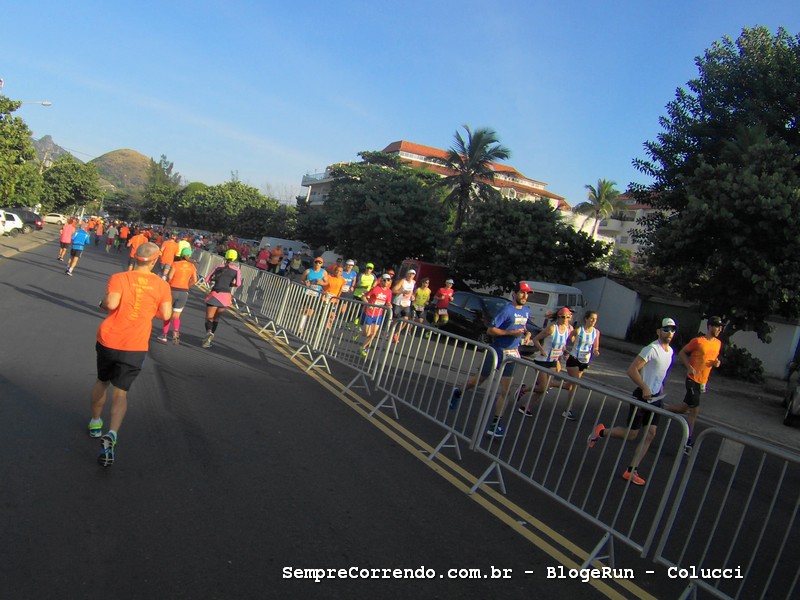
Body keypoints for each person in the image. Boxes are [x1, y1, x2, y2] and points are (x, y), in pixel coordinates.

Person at [89, 242, 172, 467]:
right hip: (135, 345)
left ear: (135, 257)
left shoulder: (119, 277)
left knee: (102, 381)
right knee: (121, 393)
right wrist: (148, 308)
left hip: (109, 339)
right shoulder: (161, 285)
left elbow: (111, 303)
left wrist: (102, 303)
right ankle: (112, 434)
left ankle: (95, 422)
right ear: (155, 261)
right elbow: (166, 314)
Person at [587, 317, 677, 486]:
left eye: (673, 330)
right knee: (632, 434)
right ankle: (601, 432)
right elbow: (632, 370)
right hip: (641, 397)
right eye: (666, 329)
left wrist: (660, 386)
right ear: (659, 331)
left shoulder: (670, 351)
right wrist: (644, 387)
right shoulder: (651, 349)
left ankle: (631, 470)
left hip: (656, 398)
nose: (670, 333)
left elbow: (661, 373)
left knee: (651, 433)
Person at [450, 282, 533, 438]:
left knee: (506, 390)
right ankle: (458, 391)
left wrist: (526, 334)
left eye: (527, 294)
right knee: (477, 381)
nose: (525, 296)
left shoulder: (526, 311)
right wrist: (511, 333)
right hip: (497, 351)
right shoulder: (507, 310)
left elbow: (524, 326)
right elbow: (491, 330)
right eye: (522, 293)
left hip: (512, 354)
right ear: (514, 294)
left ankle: (495, 424)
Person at [667, 316, 723, 453]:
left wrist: (717, 363)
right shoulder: (698, 341)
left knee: (683, 408)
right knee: (694, 411)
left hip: (702, 382)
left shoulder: (718, 343)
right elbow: (682, 353)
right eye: (717, 326)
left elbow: (714, 358)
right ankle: (688, 442)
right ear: (709, 327)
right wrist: (689, 367)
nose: (719, 329)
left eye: (721, 327)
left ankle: (660, 408)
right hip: (692, 379)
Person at [517, 307, 573, 418]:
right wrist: (542, 350)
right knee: (542, 388)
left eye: (567, 317)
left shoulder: (569, 329)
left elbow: (563, 344)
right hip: (542, 361)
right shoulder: (552, 328)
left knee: (545, 387)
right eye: (563, 317)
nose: (565, 319)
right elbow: (536, 339)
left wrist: (565, 353)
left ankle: (525, 406)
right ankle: (524, 389)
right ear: (558, 317)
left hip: (553, 361)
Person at [202, 249, 242, 348]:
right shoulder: (236, 270)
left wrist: (215, 279)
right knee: (216, 318)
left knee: (209, 318)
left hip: (215, 294)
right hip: (225, 296)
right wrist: (229, 283)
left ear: (225, 256)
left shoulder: (218, 266)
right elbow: (238, 284)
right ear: (235, 258)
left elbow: (207, 279)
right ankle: (210, 339)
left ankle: (209, 332)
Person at [158, 247, 198, 345]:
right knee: (176, 316)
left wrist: (167, 284)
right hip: (184, 292)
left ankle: (164, 335)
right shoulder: (192, 266)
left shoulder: (175, 264)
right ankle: (175, 331)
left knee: (167, 314)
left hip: (173, 290)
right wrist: (187, 286)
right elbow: (195, 280)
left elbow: (170, 277)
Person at [359, 273, 393, 357]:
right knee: (367, 333)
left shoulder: (389, 292)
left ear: (389, 282)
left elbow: (388, 302)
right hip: (369, 313)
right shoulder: (375, 289)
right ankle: (359, 331)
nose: (386, 282)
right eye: (384, 280)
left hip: (378, 314)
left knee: (373, 334)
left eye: (388, 280)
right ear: (381, 281)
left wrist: (389, 305)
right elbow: (363, 297)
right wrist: (368, 304)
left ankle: (363, 347)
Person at [299, 257, 329, 333]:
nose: (317, 264)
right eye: (316, 262)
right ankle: (301, 328)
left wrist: (321, 283)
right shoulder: (308, 271)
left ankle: (303, 321)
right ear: (313, 263)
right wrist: (305, 282)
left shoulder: (324, 272)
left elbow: (326, 282)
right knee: (305, 311)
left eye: (320, 263)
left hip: (316, 294)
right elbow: (301, 280)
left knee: (310, 312)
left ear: (322, 264)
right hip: (307, 293)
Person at [391, 269, 417, 342]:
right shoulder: (403, 281)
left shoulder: (413, 282)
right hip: (398, 302)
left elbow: (412, 292)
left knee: (405, 319)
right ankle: (389, 332)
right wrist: (402, 291)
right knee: (395, 320)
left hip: (406, 303)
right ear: (407, 274)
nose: (411, 275)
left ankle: (396, 334)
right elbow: (394, 290)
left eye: (413, 274)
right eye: (409, 274)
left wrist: (412, 296)